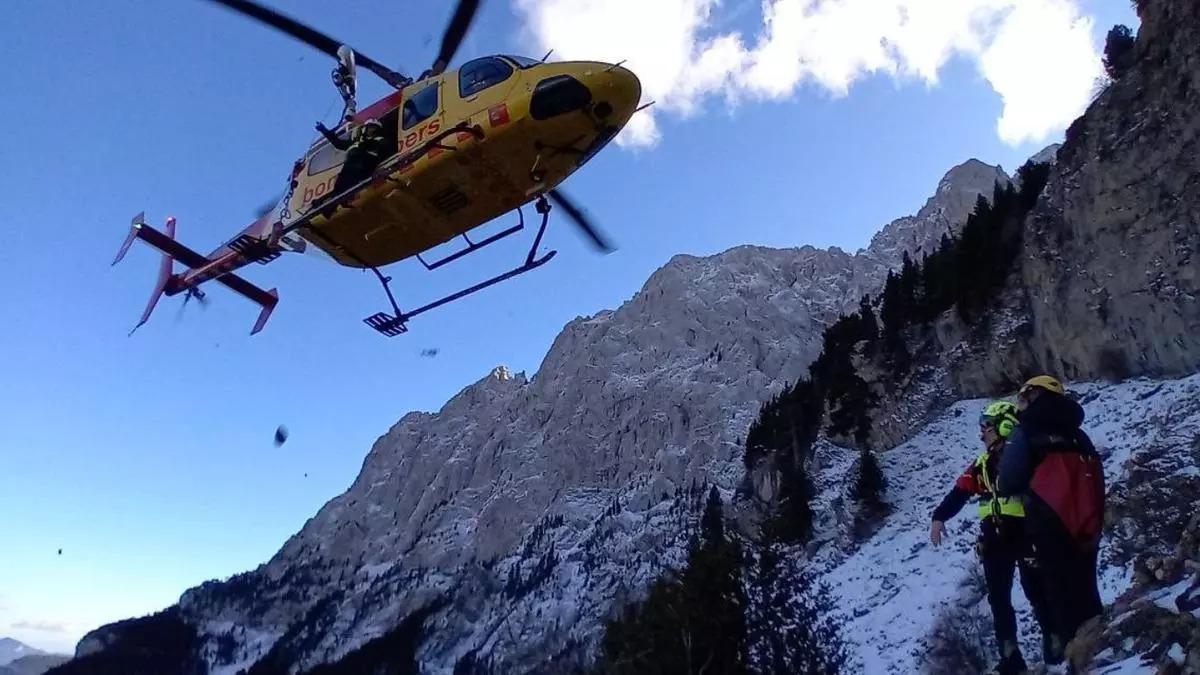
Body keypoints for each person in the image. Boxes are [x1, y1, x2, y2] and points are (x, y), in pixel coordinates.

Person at [931, 400, 1051, 674]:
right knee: (999, 598)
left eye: (986, 426)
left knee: (1037, 590)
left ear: (1005, 425)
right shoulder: (982, 464)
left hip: (1027, 532)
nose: (981, 432)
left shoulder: (1030, 456)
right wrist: (939, 516)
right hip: (996, 537)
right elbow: (960, 491)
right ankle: (1011, 657)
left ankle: (1055, 644)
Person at [997, 375, 1105, 669]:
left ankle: (1078, 661)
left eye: (1023, 394)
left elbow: (1007, 481)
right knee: (1087, 592)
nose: (1020, 400)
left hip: (1049, 525)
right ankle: (1104, 649)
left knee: (1059, 600)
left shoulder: (1027, 430)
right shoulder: (1079, 434)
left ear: (1035, 395)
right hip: (1087, 523)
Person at [312, 118, 392, 215]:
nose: (371, 130)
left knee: (347, 185)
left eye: (373, 128)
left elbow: (385, 148)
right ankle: (326, 206)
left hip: (364, 165)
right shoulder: (354, 142)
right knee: (339, 187)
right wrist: (324, 130)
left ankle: (330, 204)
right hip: (350, 166)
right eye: (369, 127)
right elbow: (337, 143)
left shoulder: (379, 140)